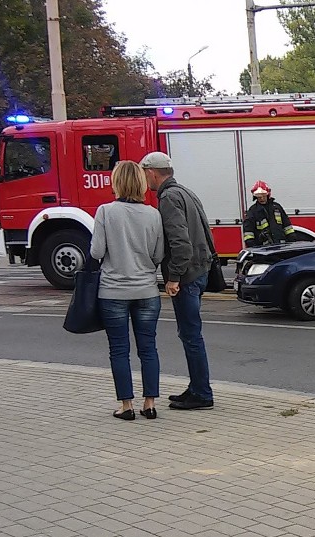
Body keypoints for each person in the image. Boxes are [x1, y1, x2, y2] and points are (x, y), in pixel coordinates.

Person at [90, 161, 165, 421]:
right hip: (146, 291)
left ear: (116, 182)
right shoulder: (153, 214)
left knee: (119, 350)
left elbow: (96, 252)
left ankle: (126, 405)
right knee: (148, 349)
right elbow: (158, 255)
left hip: (113, 292)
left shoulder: (105, 212)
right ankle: (150, 403)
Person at [141, 151, 215, 410]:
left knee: (191, 335)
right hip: (199, 271)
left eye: (145, 173)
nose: (144, 179)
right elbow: (205, 231)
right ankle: (196, 387)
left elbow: (180, 242)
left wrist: (173, 277)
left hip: (187, 276)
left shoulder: (168, 198)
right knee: (191, 334)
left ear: (152, 172)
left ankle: (202, 393)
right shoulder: (185, 192)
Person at [242, 181, 295, 247]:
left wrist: (292, 241)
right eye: (259, 197)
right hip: (264, 249)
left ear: (267, 194)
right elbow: (248, 233)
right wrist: (255, 245)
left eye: (263, 196)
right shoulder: (253, 211)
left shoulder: (277, 208)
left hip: (281, 246)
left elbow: (287, 226)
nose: (262, 198)